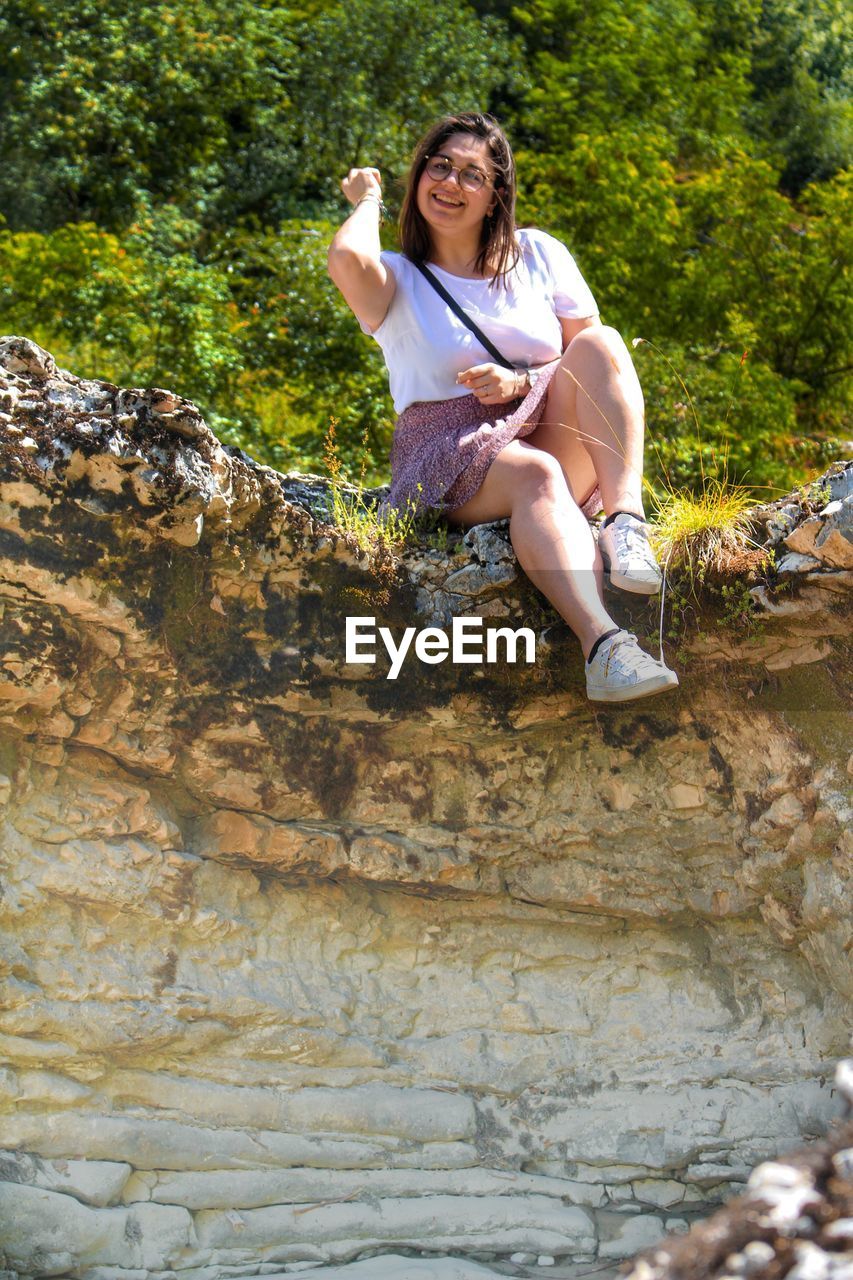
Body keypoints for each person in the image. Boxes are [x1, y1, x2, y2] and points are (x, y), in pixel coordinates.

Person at [327, 111, 678, 703]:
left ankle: (625, 523)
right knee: (535, 475)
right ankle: (605, 647)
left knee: (602, 341)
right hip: (447, 447)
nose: (451, 183)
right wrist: (368, 199)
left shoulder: (539, 253)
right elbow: (344, 261)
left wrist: (520, 380)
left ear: (495, 196)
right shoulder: (397, 277)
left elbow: (587, 361)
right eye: (439, 167)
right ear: (418, 177)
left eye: (472, 174)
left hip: (538, 413)